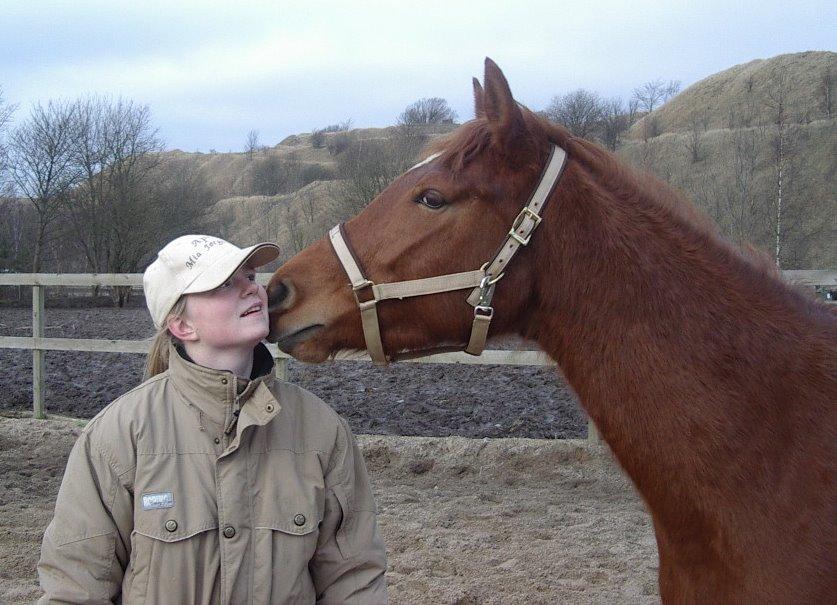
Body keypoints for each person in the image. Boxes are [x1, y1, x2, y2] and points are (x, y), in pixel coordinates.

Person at [37, 235, 388, 604]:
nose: (252, 291)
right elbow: (74, 587)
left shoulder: (322, 429)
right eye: (223, 284)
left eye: (250, 277)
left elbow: (354, 579)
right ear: (182, 326)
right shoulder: (117, 436)